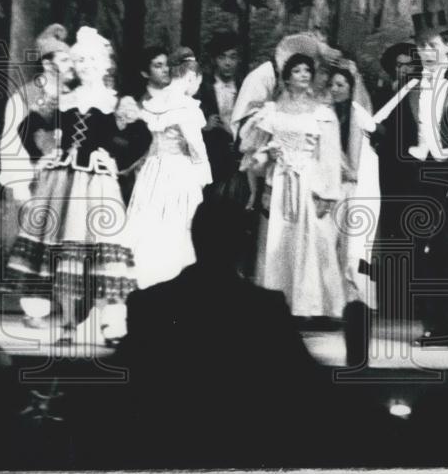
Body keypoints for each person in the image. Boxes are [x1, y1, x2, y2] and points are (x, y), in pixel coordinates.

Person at [114, 195, 332, 467]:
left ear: (195, 238)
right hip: (247, 449)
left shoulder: (149, 303)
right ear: (242, 243)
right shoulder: (265, 307)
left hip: (163, 448)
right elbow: (305, 382)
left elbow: (121, 385)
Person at [6, 27, 152, 344]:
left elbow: (142, 138)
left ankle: (111, 327)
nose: (85, 65)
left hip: (98, 185)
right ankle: (70, 325)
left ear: (104, 63)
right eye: (80, 60)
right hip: (62, 184)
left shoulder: (116, 101)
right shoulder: (64, 100)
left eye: (92, 59)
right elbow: (27, 125)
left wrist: (114, 159)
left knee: (104, 255)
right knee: (65, 255)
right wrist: (46, 153)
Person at [371, 11, 448, 348]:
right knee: (424, 252)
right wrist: (386, 137)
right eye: (421, 47)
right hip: (420, 176)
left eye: (432, 46)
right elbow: (394, 132)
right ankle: (431, 325)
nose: (426, 53)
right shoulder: (411, 86)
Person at [239, 53, 345, 323]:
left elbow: (330, 155)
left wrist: (327, 192)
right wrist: (267, 158)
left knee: (313, 239)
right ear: (286, 77)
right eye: (296, 71)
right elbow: (254, 148)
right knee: (279, 240)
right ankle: (280, 304)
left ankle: (313, 306)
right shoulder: (272, 111)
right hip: (282, 180)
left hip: (310, 180)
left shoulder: (322, 112)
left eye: (307, 70)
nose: (303, 75)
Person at [0, 25, 76, 326]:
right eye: (65, 60)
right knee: (38, 245)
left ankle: (70, 308)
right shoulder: (25, 97)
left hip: (69, 182)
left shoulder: (76, 97)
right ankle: (36, 308)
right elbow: (11, 143)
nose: (71, 66)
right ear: (47, 63)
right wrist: (21, 188)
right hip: (38, 182)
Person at [127, 48, 211, 291]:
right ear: (190, 78)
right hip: (178, 169)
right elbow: (196, 146)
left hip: (153, 168)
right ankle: (173, 278)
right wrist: (203, 175)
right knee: (177, 222)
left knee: (151, 221)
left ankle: (145, 279)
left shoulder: (154, 103)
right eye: (196, 82)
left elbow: (149, 142)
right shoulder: (185, 106)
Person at [328, 64, 380, 308]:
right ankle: (333, 302)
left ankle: (355, 300)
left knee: (354, 245)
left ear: (351, 88)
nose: (335, 89)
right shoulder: (327, 113)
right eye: (332, 85)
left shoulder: (358, 115)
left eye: (341, 85)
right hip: (333, 185)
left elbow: (359, 160)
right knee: (331, 243)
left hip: (356, 186)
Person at [195, 31, 240, 185]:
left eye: (232, 57)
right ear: (214, 59)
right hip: (210, 156)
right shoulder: (202, 88)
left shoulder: (244, 88)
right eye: (222, 57)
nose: (228, 63)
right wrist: (204, 126)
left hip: (237, 158)